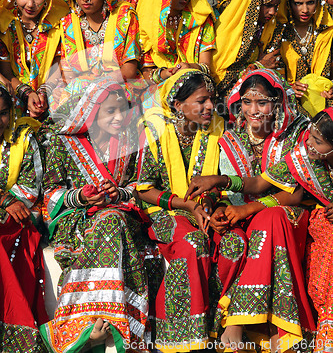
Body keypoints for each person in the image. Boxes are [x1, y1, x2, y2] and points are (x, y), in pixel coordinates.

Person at [201, 68, 316, 353]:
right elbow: (217, 185)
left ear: (277, 101)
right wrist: (216, 208)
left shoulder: (296, 132)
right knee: (242, 232)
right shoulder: (230, 133)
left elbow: (298, 192)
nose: (254, 111)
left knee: (270, 218)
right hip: (242, 214)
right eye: (247, 102)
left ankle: (238, 324)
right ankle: (277, 334)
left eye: (262, 102)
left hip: (289, 212)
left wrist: (252, 207)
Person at [136, 69, 248, 351]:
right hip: (167, 212)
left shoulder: (219, 129)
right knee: (192, 243)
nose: (210, 106)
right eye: (201, 101)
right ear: (178, 105)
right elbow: (144, 189)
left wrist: (211, 206)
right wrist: (187, 205)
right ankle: (181, 335)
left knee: (235, 241)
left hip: (205, 209)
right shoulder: (155, 132)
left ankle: (217, 325)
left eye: (211, 99)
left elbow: (222, 181)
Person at [39, 77, 148, 353]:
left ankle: (97, 322)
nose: (118, 117)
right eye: (110, 111)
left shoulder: (129, 143)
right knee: (109, 222)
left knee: (111, 220)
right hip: (77, 219)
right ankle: (95, 323)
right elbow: (50, 193)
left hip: (119, 215)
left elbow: (141, 186)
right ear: (91, 111)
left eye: (123, 110)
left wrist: (119, 193)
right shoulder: (63, 144)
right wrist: (81, 197)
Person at [253, 108, 333, 353]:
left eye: (317, 142)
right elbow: (259, 183)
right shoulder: (303, 158)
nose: (308, 143)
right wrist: (221, 181)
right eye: (309, 135)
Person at [0, 83, 48, 352]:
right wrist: (3, 199)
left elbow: (30, 187)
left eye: (4, 113)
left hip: (18, 218)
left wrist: (9, 202)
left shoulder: (23, 138)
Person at [58, 0, 141, 103]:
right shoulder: (69, 24)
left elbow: (129, 70)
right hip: (82, 90)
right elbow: (67, 72)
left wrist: (96, 85)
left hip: (120, 87)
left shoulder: (124, 17)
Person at [0, 0, 69, 119]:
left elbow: (59, 67)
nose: (30, 4)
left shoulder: (59, 24)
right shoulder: (5, 26)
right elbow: (6, 73)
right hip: (15, 90)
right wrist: (27, 93)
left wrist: (43, 92)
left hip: (51, 88)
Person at [137, 0, 216, 90]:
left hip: (196, 86)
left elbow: (206, 66)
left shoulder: (200, 18)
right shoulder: (148, 21)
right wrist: (165, 74)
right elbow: (146, 73)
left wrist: (190, 67)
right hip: (160, 87)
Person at [212, 0, 284, 104]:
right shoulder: (233, 23)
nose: (273, 12)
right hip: (223, 98)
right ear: (255, 1)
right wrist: (258, 65)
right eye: (268, 5)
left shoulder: (269, 27)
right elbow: (221, 77)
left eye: (276, 6)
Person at [276, 0, 333, 113]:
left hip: (326, 104)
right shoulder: (279, 33)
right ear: (289, 3)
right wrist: (288, 88)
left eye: (310, 2)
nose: (305, 10)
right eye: (298, 3)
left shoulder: (328, 31)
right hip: (290, 105)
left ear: (318, 1)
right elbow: (272, 74)